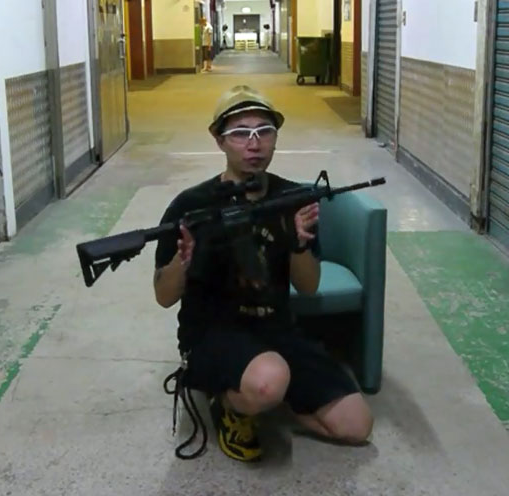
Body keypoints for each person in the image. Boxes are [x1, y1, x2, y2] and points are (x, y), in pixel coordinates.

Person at [153, 85, 373, 462]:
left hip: (276, 328)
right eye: (241, 133)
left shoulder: (292, 199)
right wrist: (183, 261)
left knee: (356, 426)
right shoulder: (191, 205)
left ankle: (264, 394)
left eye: (264, 131)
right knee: (270, 379)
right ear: (219, 140)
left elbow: (308, 287)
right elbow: (164, 296)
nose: (254, 143)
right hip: (211, 332)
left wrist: (298, 243)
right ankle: (228, 402)